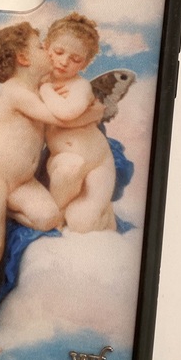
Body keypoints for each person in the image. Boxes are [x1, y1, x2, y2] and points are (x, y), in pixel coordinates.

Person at [0, 22, 103, 353]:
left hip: (20, 182)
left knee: (49, 218)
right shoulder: (14, 90)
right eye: (42, 46)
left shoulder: (40, 87)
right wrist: (96, 112)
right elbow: (61, 118)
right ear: (23, 58)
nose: (49, 52)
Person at [39, 13, 117, 233]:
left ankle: (103, 211)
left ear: (85, 63)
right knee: (69, 166)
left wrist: (46, 90)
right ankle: (59, 210)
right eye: (59, 52)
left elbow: (66, 112)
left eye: (75, 59)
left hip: (98, 164)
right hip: (63, 164)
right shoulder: (36, 84)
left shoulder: (80, 86)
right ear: (46, 47)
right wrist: (44, 87)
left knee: (82, 224)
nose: (64, 62)